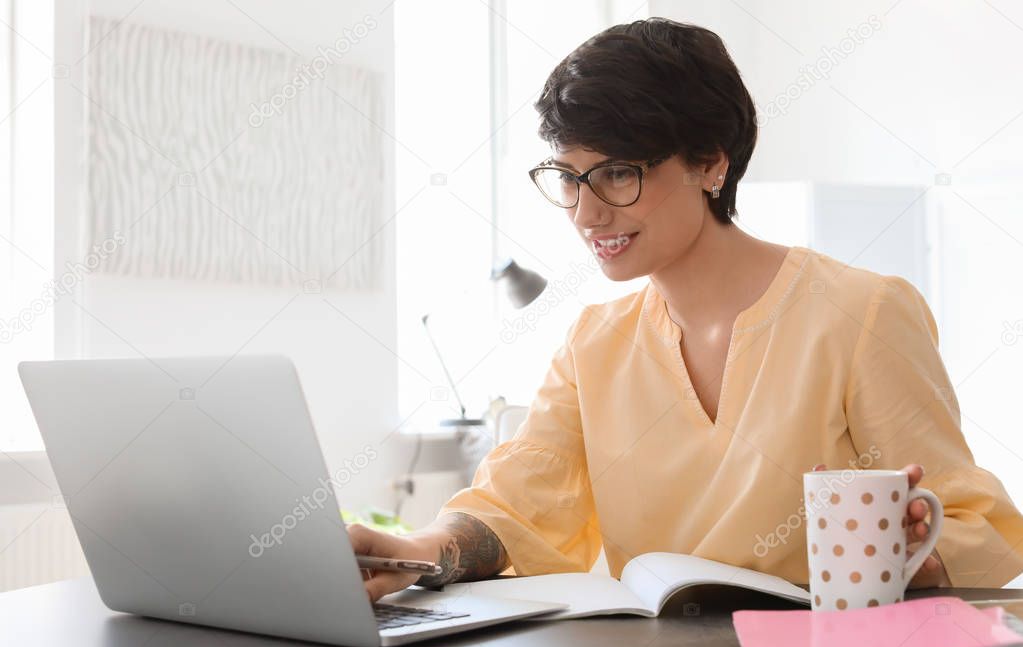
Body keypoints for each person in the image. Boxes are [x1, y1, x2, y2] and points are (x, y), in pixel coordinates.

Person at [350, 17, 1023, 602]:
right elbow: (515, 508)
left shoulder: (860, 312)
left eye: (617, 173)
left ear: (710, 163)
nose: (587, 213)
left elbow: (972, 523)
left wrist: (914, 553)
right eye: (567, 178)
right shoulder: (594, 342)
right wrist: (413, 552)